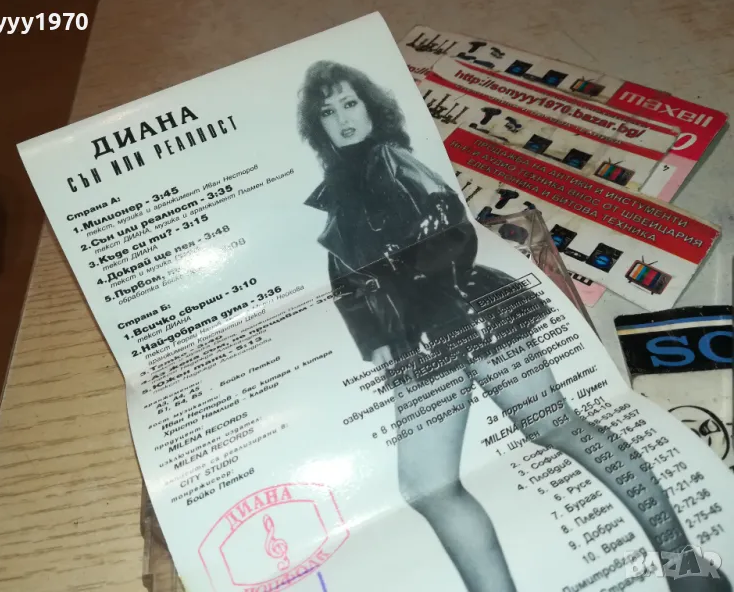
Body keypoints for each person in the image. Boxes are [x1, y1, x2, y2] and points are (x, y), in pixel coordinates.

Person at [298, 59, 730, 592]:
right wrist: (378, 338)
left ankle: (686, 569)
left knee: (532, 436)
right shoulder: (345, 184)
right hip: (423, 333)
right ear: (316, 124)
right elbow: (348, 278)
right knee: (461, 472)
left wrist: (407, 311)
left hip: (459, 314)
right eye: (328, 111)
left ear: (371, 107)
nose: (342, 118)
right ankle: (687, 570)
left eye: (350, 103)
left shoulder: (388, 160)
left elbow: (449, 228)